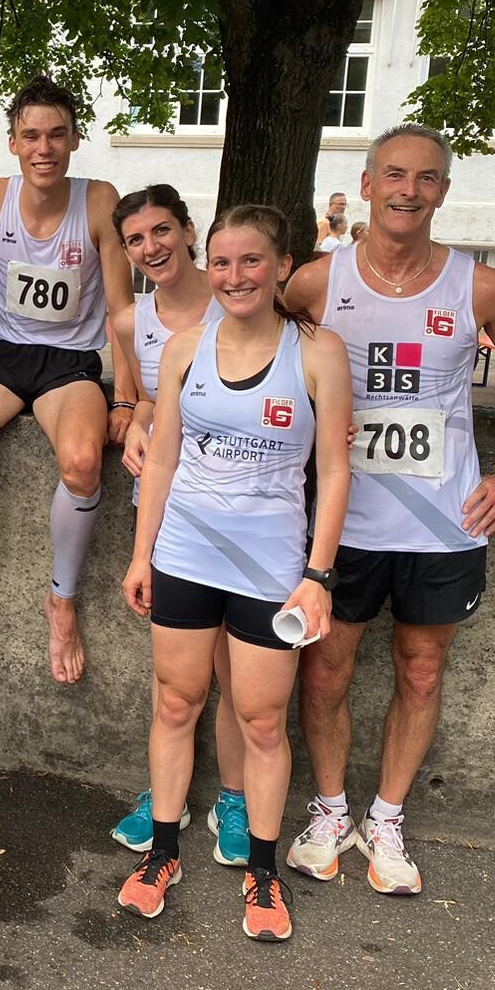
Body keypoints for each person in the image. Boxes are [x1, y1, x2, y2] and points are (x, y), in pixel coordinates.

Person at [282, 123, 495, 897]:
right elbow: (255, 357)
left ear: (443, 191)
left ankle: (387, 818)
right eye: (395, 175)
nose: (409, 190)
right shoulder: (314, 283)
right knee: (324, 671)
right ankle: (330, 810)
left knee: (423, 670)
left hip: (444, 523)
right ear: (367, 186)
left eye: (426, 178)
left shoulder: (479, 287)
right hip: (342, 522)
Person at [119, 203, 351, 941]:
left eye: (252, 260)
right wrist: (141, 554)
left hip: (270, 566)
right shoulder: (185, 347)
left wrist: (318, 575)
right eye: (221, 262)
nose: (235, 275)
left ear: (283, 266)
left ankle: (262, 869)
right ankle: (162, 854)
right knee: (176, 703)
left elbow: (335, 472)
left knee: (260, 720)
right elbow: (162, 457)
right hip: (185, 553)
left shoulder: (318, 352)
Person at [0, 75, 139, 684]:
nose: (44, 148)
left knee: (83, 462)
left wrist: (127, 399)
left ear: (75, 140)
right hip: (2, 357)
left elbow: (122, 310)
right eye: (31, 136)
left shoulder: (98, 200)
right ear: (13, 142)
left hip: (70, 365)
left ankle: (61, 600)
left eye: (57, 135)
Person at [105, 185, 248, 866]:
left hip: (243, 507)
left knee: (234, 670)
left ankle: (235, 799)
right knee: (175, 676)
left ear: (189, 230)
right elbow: (145, 401)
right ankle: (167, 794)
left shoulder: (237, 297)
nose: (151, 247)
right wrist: (135, 425)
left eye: (161, 230)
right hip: (168, 506)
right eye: (135, 240)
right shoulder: (131, 320)